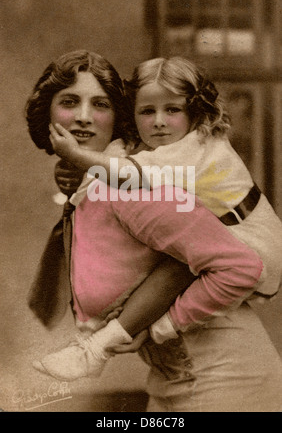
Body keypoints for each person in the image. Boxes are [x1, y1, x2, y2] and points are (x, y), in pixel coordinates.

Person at [26, 50, 282, 412]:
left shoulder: (135, 188)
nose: (83, 117)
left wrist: (158, 326)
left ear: (117, 117)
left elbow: (238, 266)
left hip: (223, 379)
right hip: (171, 379)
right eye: (69, 102)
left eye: (100, 104)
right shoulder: (102, 182)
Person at [50, 56, 282, 305]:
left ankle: (145, 329)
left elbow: (126, 175)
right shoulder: (193, 136)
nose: (159, 121)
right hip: (248, 237)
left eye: (172, 109)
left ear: (193, 111)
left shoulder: (191, 148)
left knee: (165, 290)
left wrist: (75, 155)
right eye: (148, 111)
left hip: (253, 246)